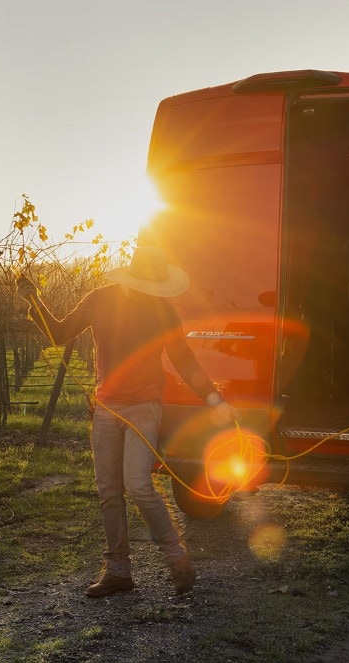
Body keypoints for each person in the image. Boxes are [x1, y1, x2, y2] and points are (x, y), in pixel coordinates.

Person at [17, 246, 235, 598]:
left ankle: (178, 561)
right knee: (108, 491)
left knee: (138, 485)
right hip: (106, 407)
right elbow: (59, 334)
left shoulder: (161, 310)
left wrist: (215, 400)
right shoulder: (100, 299)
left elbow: (184, 359)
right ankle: (118, 571)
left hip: (144, 406)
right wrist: (35, 301)